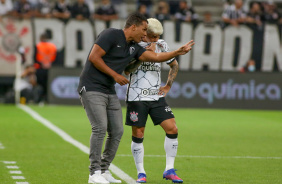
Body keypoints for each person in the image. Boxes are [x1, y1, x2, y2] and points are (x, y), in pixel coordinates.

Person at [77, 13, 194, 184]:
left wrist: (177, 52)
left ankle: (103, 170)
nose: (145, 35)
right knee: (100, 128)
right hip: (92, 87)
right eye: (144, 30)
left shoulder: (135, 46)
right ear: (133, 27)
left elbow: (155, 57)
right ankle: (94, 173)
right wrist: (115, 76)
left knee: (117, 131)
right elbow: (94, 57)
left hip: (109, 90)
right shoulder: (111, 34)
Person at [124, 18, 183, 183]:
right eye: (152, 36)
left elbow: (174, 65)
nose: (156, 40)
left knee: (172, 128)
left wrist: (168, 86)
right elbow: (127, 70)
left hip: (156, 96)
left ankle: (169, 169)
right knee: (138, 134)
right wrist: (142, 57)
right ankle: (141, 173)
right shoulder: (133, 46)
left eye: (158, 36)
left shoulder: (162, 44)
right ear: (145, 33)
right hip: (136, 96)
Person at [34, 33, 57, 100]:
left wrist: (42, 64)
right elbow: (56, 58)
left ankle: (39, 99)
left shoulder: (38, 45)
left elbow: (35, 58)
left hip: (40, 69)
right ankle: (47, 99)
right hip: (50, 69)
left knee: (39, 85)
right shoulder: (53, 46)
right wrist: (50, 64)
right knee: (48, 84)